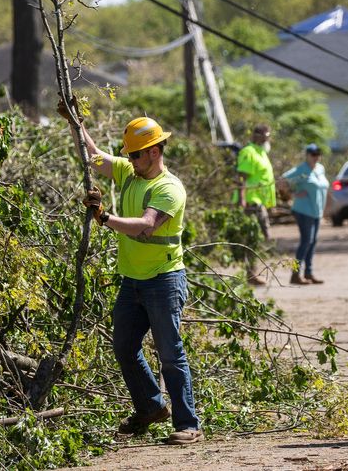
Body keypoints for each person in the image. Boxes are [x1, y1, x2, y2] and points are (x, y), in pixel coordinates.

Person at [58, 101, 202, 445]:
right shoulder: (130, 172)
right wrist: (74, 122)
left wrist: (104, 218)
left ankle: (188, 425)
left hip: (163, 280)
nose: (131, 160)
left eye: (136, 155)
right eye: (130, 155)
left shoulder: (169, 188)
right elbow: (93, 156)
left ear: (153, 152)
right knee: (124, 345)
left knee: (170, 353)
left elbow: (145, 227)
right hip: (132, 280)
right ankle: (151, 407)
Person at [281, 143, 329, 285]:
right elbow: (282, 180)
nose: (316, 157)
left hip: (316, 211)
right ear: (307, 155)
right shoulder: (301, 170)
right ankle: (295, 275)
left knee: (312, 242)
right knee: (306, 241)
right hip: (303, 210)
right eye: (313, 154)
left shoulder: (320, 169)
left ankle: (308, 273)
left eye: (318, 154)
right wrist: (292, 194)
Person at [235, 123, 276, 285]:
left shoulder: (262, 152)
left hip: (260, 202)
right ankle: (250, 273)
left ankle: (252, 272)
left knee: (258, 238)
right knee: (254, 237)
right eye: (267, 136)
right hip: (251, 203)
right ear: (257, 135)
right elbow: (241, 177)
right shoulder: (248, 152)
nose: (268, 139)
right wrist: (242, 199)